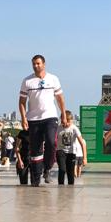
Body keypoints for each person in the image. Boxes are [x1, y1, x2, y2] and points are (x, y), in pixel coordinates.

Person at [18, 54, 67, 186]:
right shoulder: (27, 81)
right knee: (35, 150)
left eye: (38, 63)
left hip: (50, 116)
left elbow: (60, 99)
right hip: (33, 119)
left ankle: (47, 167)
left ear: (44, 64)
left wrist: (63, 114)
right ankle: (36, 178)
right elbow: (22, 102)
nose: (36, 66)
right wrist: (23, 118)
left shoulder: (53, 79)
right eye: (34, 64)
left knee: (51, 142)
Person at [56, 110, 88, 185]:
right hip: (61, 151)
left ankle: (71, 187)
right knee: (62, 169)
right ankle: (60, 186)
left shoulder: (74, 128)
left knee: (70, 172)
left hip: (71, 153)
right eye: (64, 122)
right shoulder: (58, 128)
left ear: (72, 120)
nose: (66, 124)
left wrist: (85, 158)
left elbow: (82, 143)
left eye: (68, 122)